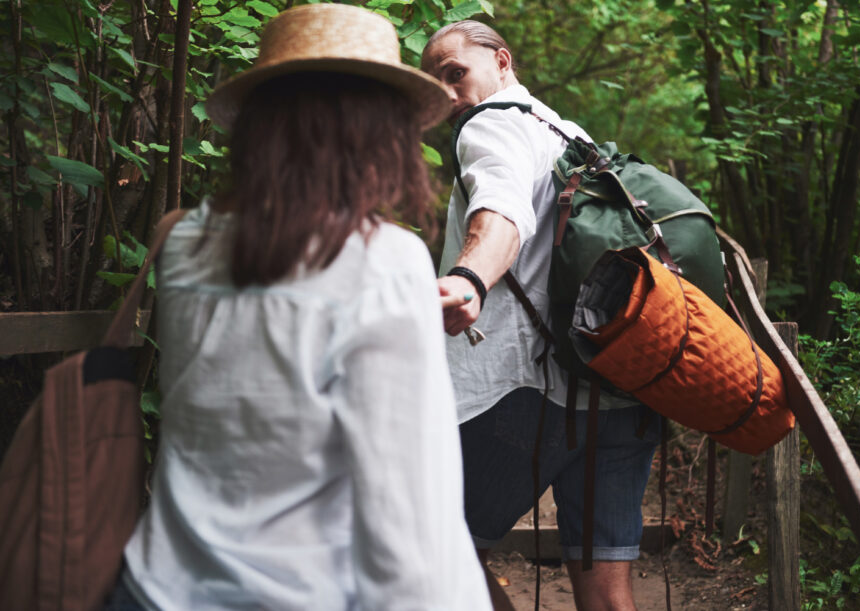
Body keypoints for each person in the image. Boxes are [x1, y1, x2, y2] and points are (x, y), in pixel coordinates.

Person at [104, 5, 491, 610]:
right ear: (379, 129)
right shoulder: (383, 262)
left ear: (259, 124)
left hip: (155, 586)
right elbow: (413, 526)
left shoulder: (182, 240)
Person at [422, 21, 662, 611]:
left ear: (502, 62)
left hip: (526, 397)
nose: (450, 94)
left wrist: (470, 277)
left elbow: (500, 209)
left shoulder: (491, 124)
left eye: (457, 74)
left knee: (433, 553)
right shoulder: (569, 134)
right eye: (436, 84)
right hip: (619, 394)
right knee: (608, 593)